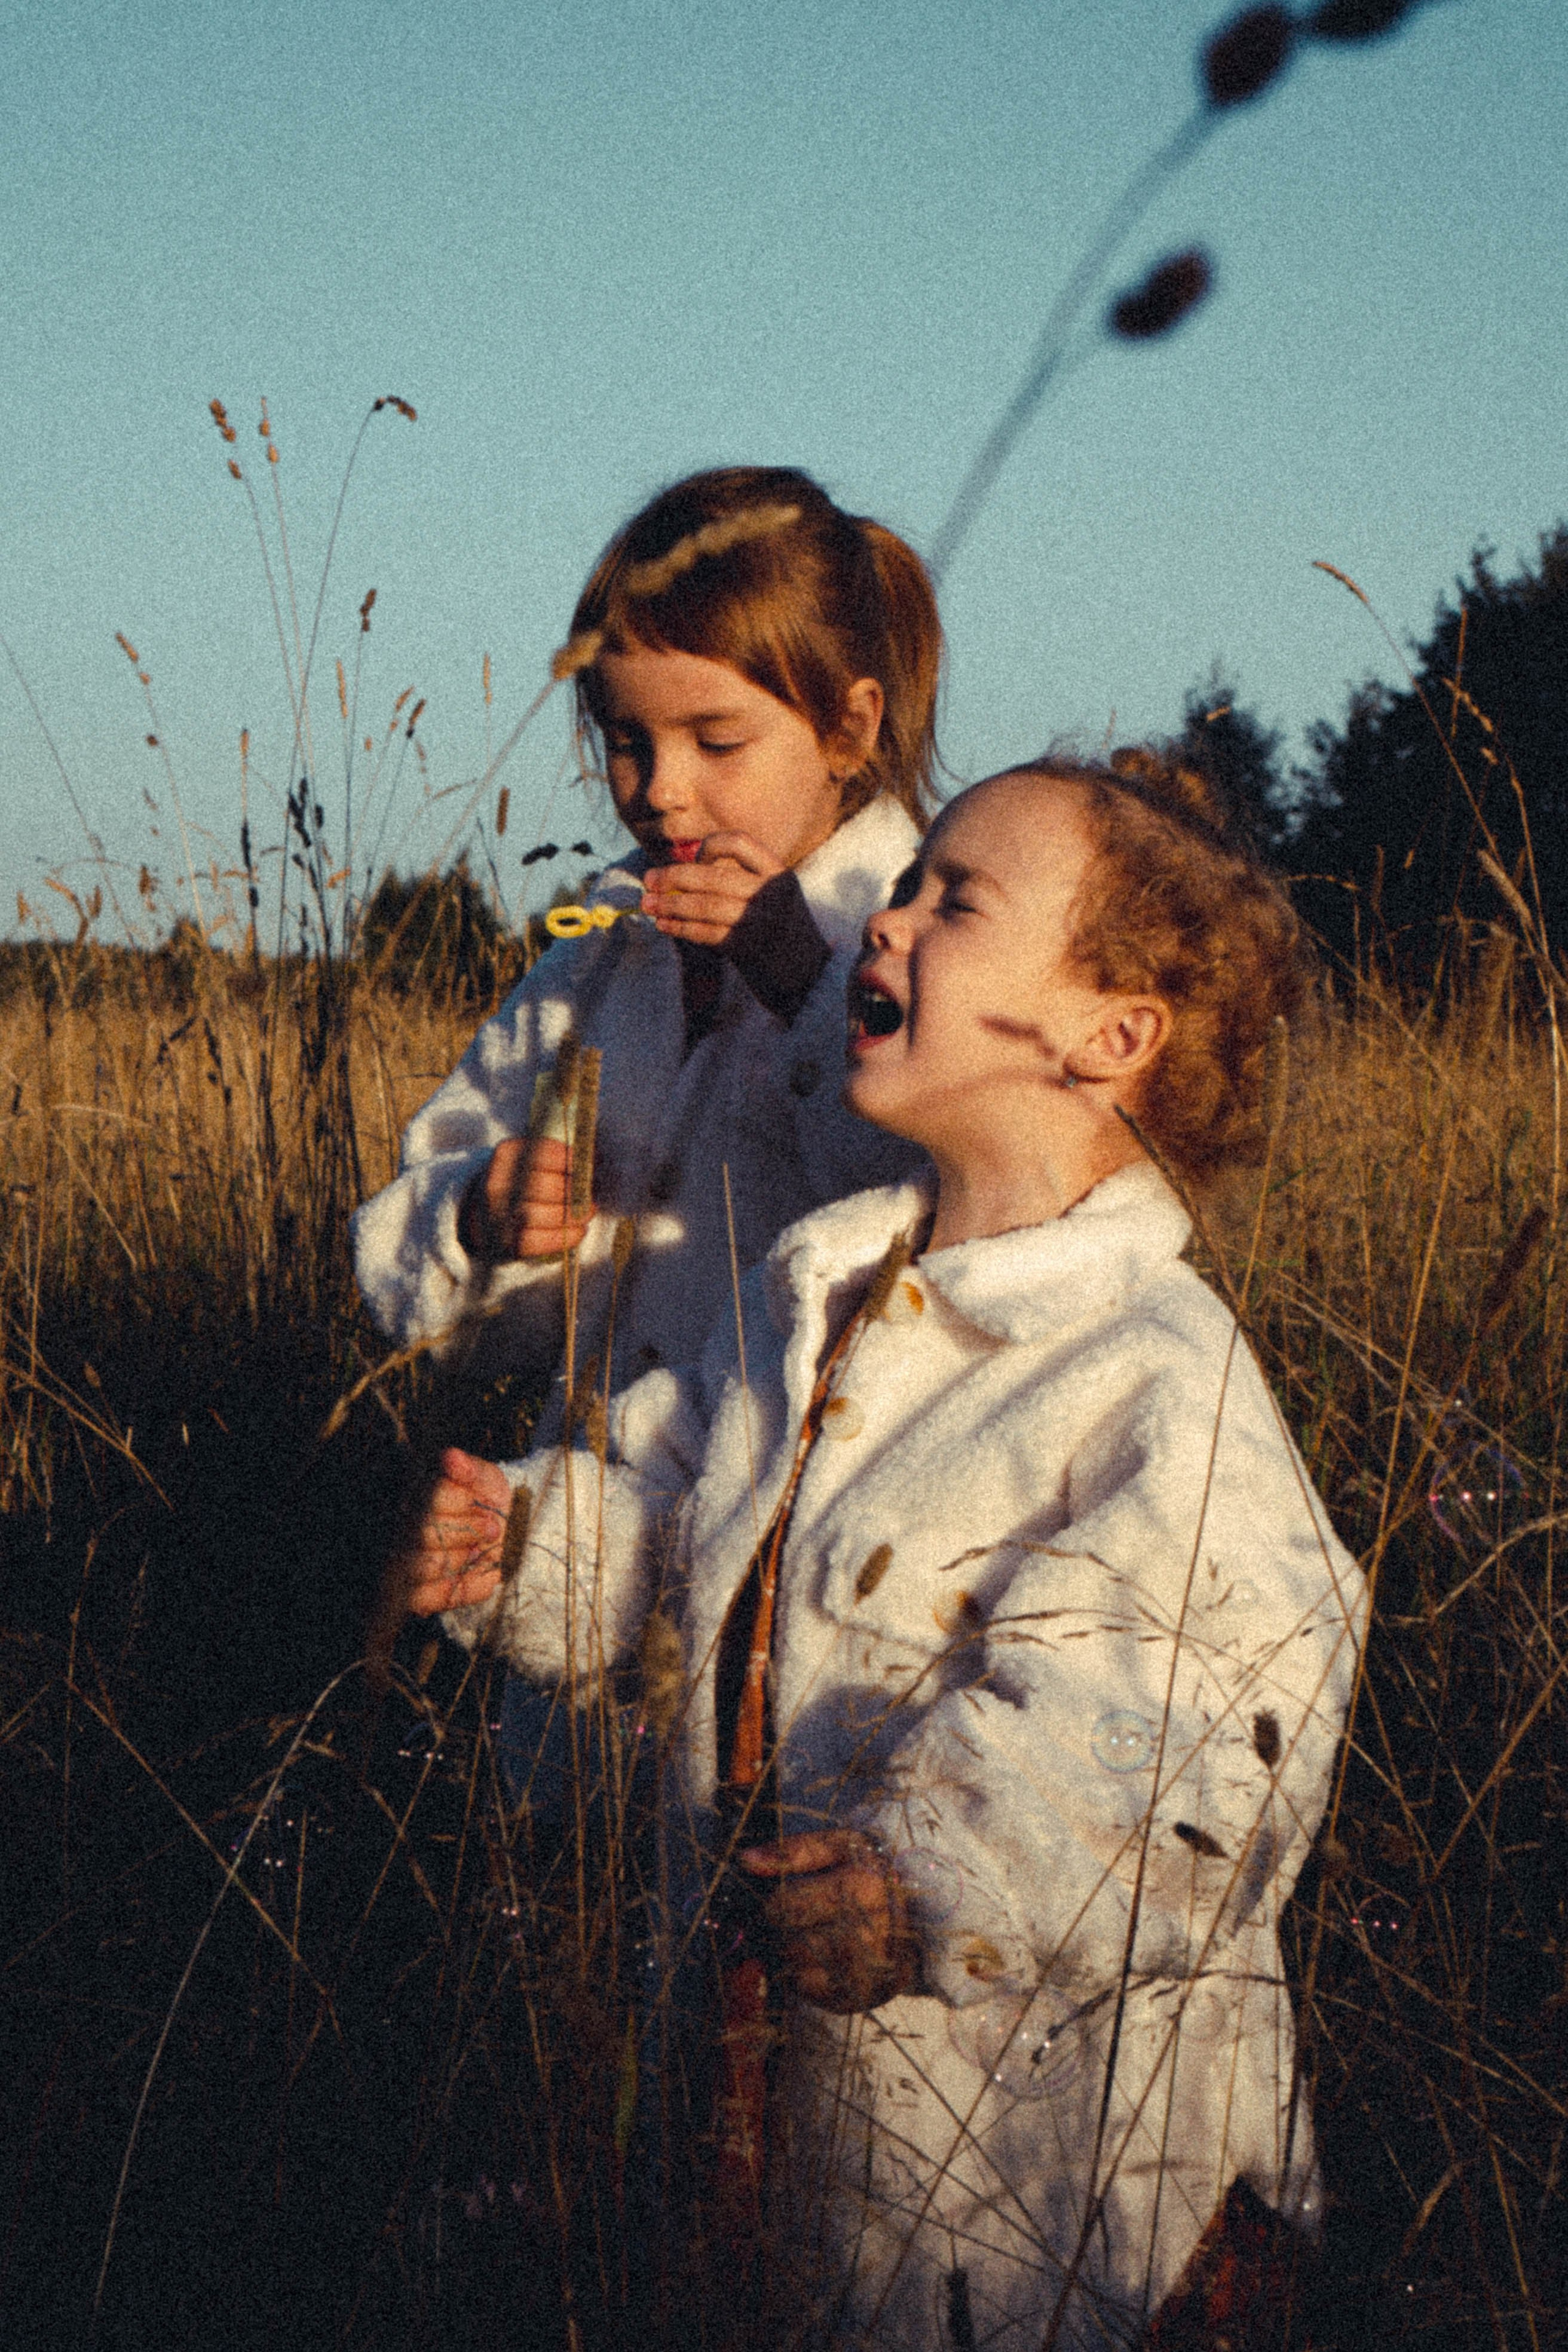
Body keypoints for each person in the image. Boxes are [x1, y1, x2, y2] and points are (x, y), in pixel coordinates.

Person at [405, 752, 1366, 2350]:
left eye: (954, 900)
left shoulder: (1151, 1375)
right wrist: (521, 1541)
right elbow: (667, 1528)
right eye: (903, 883)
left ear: (1108, 1035)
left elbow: (1187, 1737)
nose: (888, 922)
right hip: (793, 2167)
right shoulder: (820, 1286)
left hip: (1054, 2215)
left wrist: (934, 1879)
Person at [352, 465, 943, 1427]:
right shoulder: (601, 953)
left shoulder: (919, 935)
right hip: (583, 1509)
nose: (660, 789)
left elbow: (946, 1219)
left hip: (799, 1511)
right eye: (627, 739)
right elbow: (426, 1224)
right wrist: (476, 1218)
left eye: (716, 742)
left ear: (847, 728)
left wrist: (807, 986)